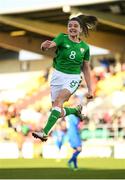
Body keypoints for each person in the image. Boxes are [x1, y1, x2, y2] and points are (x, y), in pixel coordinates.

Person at [32, 14, 98, 141]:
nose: (72, 28)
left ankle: (44, 133)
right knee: (56, 110)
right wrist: (44, 46)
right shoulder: (62, 38)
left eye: (75, 26)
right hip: (57, 76)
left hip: (73, 78)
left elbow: (86, 68)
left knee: (58, 103)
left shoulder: (85, 48)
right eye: (70, 26)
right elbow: (50, 45)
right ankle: (74, 111)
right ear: (67, 28)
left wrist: (90, 89)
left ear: (80, 30)